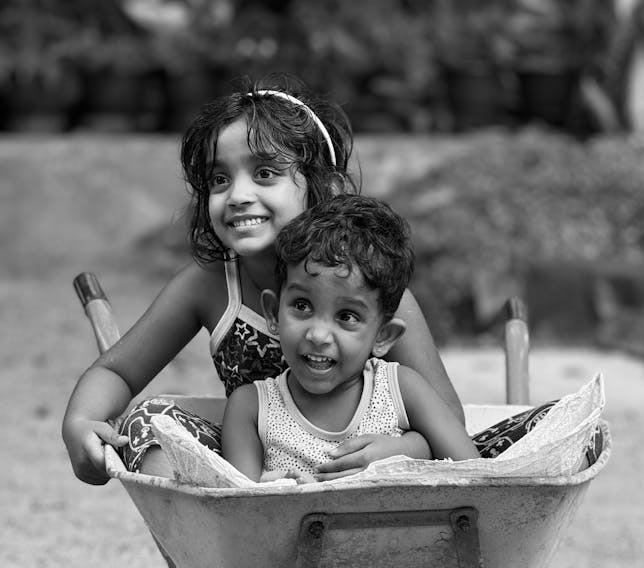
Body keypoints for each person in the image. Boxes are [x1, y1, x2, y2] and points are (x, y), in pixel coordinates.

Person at [62, 74, 464, 486]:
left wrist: (406, 449)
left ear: (325, 187)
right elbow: (118, 373)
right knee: (146, 420)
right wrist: (81, 421)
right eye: (219, 179)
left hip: (370, 477)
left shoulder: (371, 290)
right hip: (253, 476)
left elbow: (450, 422)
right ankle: (222, 516)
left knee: (505, 443)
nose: (237, 195)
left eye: (265, 173)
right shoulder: (210, 284)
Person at [221, 194, 480, 483]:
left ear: (383, 336)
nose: (318, 335)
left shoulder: (401, 390)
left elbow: (478, 476)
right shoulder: (252, 409)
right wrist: (276, 490)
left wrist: (406, 457)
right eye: (302, 305)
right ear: (273, 313)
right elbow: (239, 500)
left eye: (347, 316)